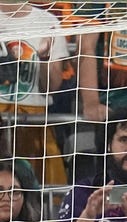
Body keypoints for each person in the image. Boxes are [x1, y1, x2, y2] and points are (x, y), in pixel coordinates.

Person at [0, 0, 73, 187]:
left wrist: (44, 58)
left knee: (38, 193)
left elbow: (51, 87)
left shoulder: (47, 21)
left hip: (34, 124)